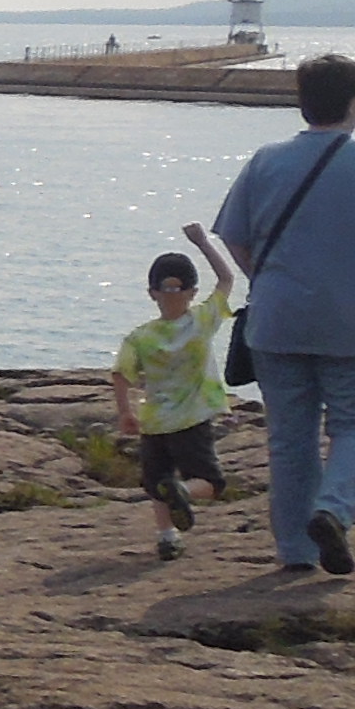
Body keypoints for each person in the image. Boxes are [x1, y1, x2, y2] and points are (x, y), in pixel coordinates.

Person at [215, 52, 355, 578]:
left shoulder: (265, 160)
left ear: (302, 102)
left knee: (290, 439)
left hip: (278, 319)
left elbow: (234, 235)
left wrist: (264, 279)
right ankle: (332, 509)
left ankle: (296, 550)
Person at [108, 225, 240, 561]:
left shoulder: (140, 337)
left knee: (157, 481)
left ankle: (167, 536)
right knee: (210, 482)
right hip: (192, 419)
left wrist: (125, 412)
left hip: (154, 422)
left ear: (152, 292)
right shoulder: (202, 321)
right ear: (192, 291)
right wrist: (203, 242)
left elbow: (121, 374)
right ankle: (183, 491)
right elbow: (227, 279)